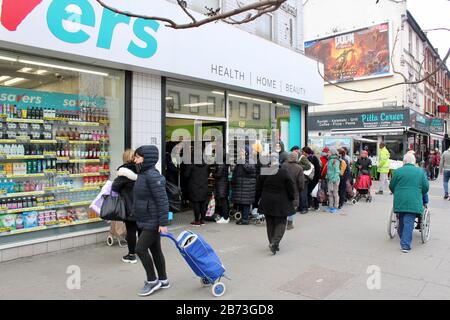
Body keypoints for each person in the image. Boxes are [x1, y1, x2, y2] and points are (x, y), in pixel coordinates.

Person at [133, 145, 170, 296]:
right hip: (146, 218)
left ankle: (152, 281)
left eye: (137, 157)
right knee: (155, 250)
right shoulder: (143, 174)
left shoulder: (152, 176)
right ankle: (163, 279)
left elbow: (162, 200)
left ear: (146, 158)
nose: (135, 160)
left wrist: (162, 223)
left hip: (153, 220)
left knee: (140, 249)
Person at [389, 152, 429, 253]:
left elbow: (392, 186)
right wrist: (420, 194)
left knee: (402, 220)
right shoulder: (420, 172)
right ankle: (405, 245)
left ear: (404, 161)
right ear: (414, 161)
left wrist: (397, 193)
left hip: (400, 200)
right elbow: (425, 187)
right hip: (414, 200)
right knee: (408, 221)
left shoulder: (397, 171)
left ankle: (403, 238)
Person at [256, 155, 295, 254]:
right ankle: (275, 242)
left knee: (270, 223)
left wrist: (257, 200)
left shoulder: (265, 172)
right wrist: (291, 198)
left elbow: (258, 188)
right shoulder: (284, 172)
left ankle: (272, 243)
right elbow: (291, 187)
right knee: (281, 222)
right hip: (281, 202)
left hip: (267, 201)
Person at [111, 149, 140, 264]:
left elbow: (115, 188)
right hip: (143, 205)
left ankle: (132, 254)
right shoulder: (141, 170)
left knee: (131, 230)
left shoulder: (124, 172)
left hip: (130, 206)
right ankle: (143, 252)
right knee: (142, 229)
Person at [232, 146, 256, 225]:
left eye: (242, 151)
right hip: (241, 185)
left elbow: (249, 169)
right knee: (241, 203)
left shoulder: (251, 160)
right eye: (240, 151)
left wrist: (242, 160)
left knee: (246, 203)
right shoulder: (241, 160)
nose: (240, 152)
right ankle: (242, 218)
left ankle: (245, 219)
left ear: (246, 153)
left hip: (247, 185)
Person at [184, 150, 209, 226]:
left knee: (196, 204)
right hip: (204, 186)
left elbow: (186, 175)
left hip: (194, 186)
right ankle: (202, 220)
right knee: (203, 203)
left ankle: (197, 220)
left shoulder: (191, 165)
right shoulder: (206, 165)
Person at [281, 152, 305, 230]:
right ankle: (290, 223)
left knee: (284, 205)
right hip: (294, 189)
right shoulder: (299, 168)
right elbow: (301, 181)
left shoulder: (284, 165)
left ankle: (282, 223)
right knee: (292, 206)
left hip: (283, 188)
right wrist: (301, 188)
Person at [303, 146, 321, 211]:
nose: (302, 153)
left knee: (314, 192)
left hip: (314, 178)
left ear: (306, 152)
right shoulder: (306, 158)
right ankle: (310, 205)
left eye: (303, 152)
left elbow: (318, 168)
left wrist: (319, 178)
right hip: (310, 178)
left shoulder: (313, 158)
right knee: (310, 191)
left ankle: (316, 205)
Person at [214, 159, 230, 224]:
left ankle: (225, 218)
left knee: (223, 202)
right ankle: (226, 217)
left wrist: (213, 174)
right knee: (225, 201)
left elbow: (218, 175)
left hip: (221, 185)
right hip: (224, 184)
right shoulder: (224, 164)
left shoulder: (221, 164)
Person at [326, 147, 341, 213]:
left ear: (332, 152)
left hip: (335, 180)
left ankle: (336, 207)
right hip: (330, 179)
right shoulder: (330, 160)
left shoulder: (335, 160)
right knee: (330, 193)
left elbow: (337, 171)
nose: (327, 153)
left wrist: (334, 179)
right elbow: (329, 170)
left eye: (329, 152)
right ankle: (331, 206)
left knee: (335, 193)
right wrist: (327, 176)